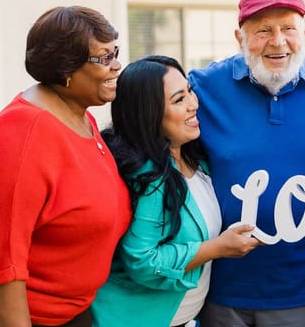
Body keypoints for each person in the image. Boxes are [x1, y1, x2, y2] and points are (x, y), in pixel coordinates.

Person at [0, 6, 131, 326]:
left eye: (115, 52)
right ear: (66, 68)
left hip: (66, 311)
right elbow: (2, 262)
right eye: (104, 57)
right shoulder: (19, 136)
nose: (117, 65)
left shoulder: (80, 115)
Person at [188, 0, 305, 327]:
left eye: (288, 28)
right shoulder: (203, 85)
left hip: (302, 286)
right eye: (263, 31)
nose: (278, 41)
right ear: (239, 38)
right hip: (222, 286)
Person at [90, 56, 260, 327]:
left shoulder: (196, 160)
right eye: (179, 100)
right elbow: (142, 260)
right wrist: (216, 248)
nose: (194, 104)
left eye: (190, 92)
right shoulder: (149, 176)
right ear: (150, 112)